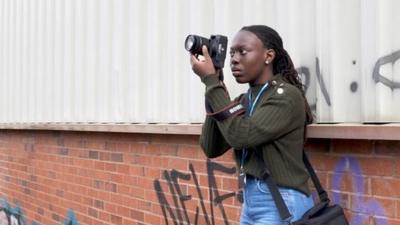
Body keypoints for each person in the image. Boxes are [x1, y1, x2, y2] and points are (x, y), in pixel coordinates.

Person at [190, 25, 314, 225]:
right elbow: (211, 147)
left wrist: (212, 82)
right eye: (231, 53)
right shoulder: (244, 101)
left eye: (243, 51)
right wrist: (213, 85)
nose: (234, 59)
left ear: (268, 56)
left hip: (281, 201)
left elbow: (241, 136)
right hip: (252, 201)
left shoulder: (286, 96)